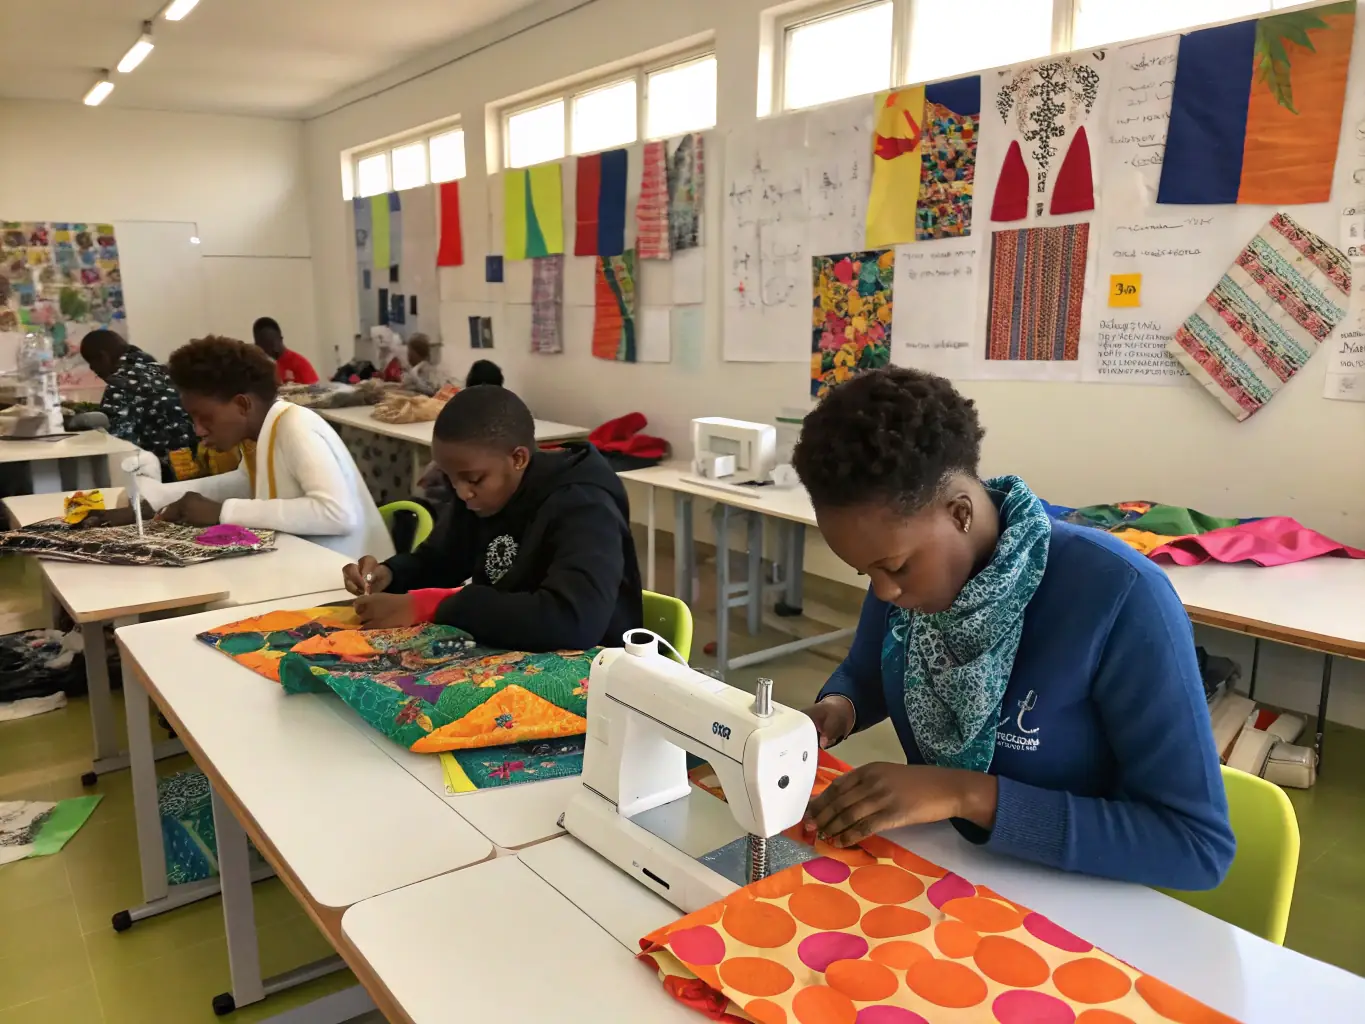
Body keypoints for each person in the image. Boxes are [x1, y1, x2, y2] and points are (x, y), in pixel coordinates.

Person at [794, 368, 1234, 891]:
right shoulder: (909, 579)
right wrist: (838, 709)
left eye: (894, 568)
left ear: (960, 513)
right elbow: (869, 672)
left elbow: (1194, 845)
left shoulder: (1117, 594)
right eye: (865, 573)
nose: (884, 592)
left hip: (1080, 895)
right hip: (951, 867)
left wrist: (963, 794)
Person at [341, 385, 642, 651]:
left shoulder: (585, 504)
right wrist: (392, 574)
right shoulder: (479, 488)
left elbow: (574, 621)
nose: (462, 493)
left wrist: (436, 606)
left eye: (473, 479)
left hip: (599, 669)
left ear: (518, 459)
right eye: (450, 478)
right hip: (515, 648)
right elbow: (443, 560)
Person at [135, 336, 392, 560]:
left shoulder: (295, 426)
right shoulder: (257, 436)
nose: (198, 430)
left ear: (242, 405)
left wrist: (223, 512)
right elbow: (245, 483)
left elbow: (337, 514)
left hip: (351, 579)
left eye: (205, 418)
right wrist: (158, 501)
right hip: (309, 567)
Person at [80, 329, 197, 481]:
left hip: (162, 476)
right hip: (196, 467)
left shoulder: (120, 385)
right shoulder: (164, 371)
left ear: (104, 357)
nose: (92, 369)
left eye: (92, 364)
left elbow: (116, 445)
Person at [252, 316, 318, 385]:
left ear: (281, 339)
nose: (274, 348)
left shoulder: (299, 364)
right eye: (267, 346)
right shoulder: (260, 367)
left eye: (274, 343)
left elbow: (316, 389)